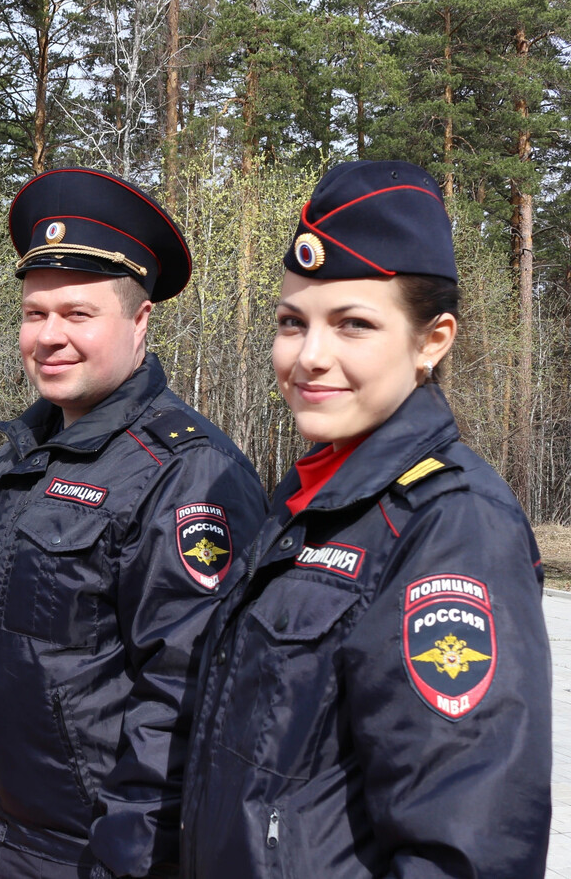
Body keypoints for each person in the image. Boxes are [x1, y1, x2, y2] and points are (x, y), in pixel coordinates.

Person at [180, 161, 552, 878]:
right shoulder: (314, 499)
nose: (309, 357)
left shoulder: (453, 525)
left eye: (353, 324)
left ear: (432, 341)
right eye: (293, 323)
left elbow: (465, 848)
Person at [0, 168, 268, 878]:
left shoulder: (188, 473)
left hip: (108, 849)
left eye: (77, 314)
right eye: (34, 313)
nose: (48, 337)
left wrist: (128, 858)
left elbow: (188, 700)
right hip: (28, 831)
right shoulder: (28, 451)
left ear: (139, 321)